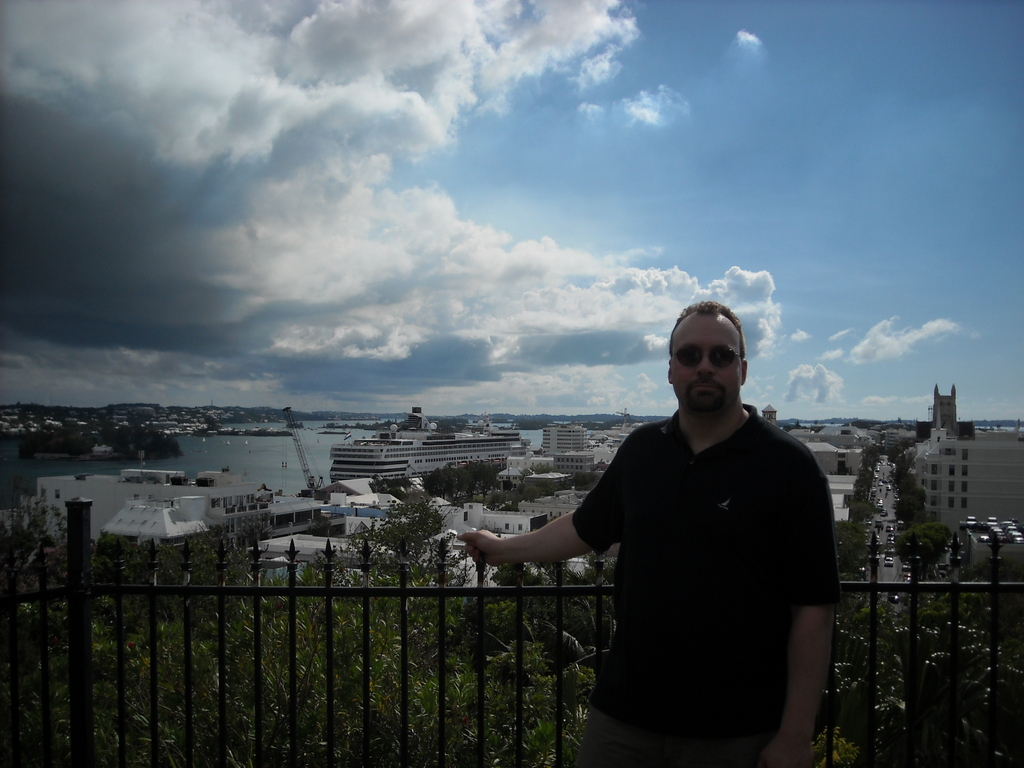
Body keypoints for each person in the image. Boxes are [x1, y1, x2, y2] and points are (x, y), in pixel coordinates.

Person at [459, 301, 840, 768]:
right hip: (625, 718)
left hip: (736, 729)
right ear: (670, 370)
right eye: (689, 355)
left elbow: (815, 610)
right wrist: (502, 550)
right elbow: (585, 527)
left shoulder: (789, 467)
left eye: (720, 356)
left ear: (742, 369)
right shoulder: (642, 451)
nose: (704, 366)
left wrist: (796, 736)